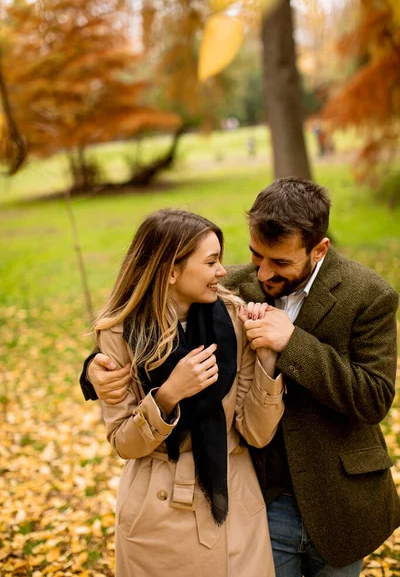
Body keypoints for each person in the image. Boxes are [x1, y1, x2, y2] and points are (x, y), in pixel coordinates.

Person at [81, 178, 400, 577]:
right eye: (255, 255)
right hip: (263, 496)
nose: (263, 272)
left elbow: (373, 398)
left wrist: (292, 343)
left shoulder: (369, 295)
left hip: (339, 498)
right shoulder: (228, 285)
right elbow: (149, 315)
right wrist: (93, 368)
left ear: (318, 250)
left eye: (280, 262)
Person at [86, 208, 284, 577]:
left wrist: (268, 363)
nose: (223, 271)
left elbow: (256, 432)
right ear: (171, 271)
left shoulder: (234, 320)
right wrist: (167, 396)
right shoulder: (118, 334)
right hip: (157, 510)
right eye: (211, 262)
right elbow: (124, 444)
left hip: (233, 504)